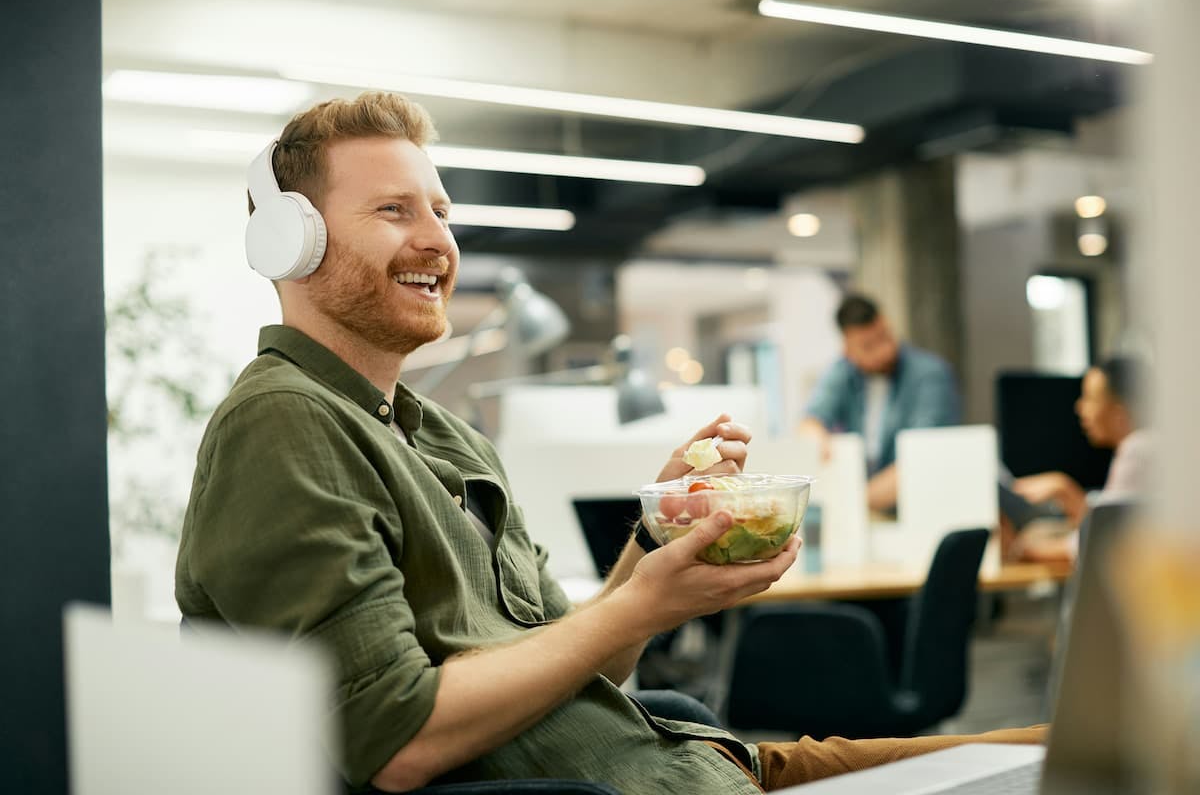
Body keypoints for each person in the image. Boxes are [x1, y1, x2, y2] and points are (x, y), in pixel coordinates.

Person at [175, 92, 1043, 794]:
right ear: (290, 242)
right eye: (394, 211)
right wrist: (642, 603)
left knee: (1068, 750)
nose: (439, 240)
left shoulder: (442, 435)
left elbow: (587, 658)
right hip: (649, 786)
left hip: (703, 764)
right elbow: (390, 741)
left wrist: (653, 540)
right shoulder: (284, 423)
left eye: (440, 210)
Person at [799, 294, 960, 512]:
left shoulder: (930, 375)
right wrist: (817, 439)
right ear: (847, 349)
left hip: (920, 504)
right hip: (866, 506)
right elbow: (811, 422)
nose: (883, 351)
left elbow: (921, 457)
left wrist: (852, 504)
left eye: (884, 337)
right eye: (868, 346)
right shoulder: (843, 373)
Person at [1011, 356, 1151, 562]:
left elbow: (1101, 541)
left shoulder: (1137, 449)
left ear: (1119, 412)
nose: (1080, 408)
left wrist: (1022, 549)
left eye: (1089, 398)